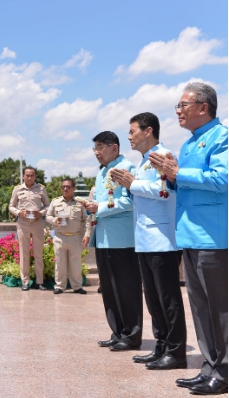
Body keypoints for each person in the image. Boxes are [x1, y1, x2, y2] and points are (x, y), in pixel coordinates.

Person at [149, 82, 228, 395]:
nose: (178, 111)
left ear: (203, 107)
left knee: (219, 309)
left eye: (183, 105)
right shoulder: (189, 143)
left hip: (213, 237)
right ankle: (209, 366)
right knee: (200, 307)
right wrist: (171, 176)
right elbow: (188, 184)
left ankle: (223, 371)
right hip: (191, 235)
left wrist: (178, 173)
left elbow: (222, 180)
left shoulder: (221, 137)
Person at [112, 112, 187, 371]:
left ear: (148, 131)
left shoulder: (163, 157)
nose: (129, 137)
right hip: (145, 238)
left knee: (168, 298)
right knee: (153, 299)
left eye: (132, 131)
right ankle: (161, 346)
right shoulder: (145, 161)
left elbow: (164, 192)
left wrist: (133, 184)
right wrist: (131, 185)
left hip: (162, 239)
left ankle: (176, 352)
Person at [83, 131, 142, 351]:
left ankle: (132, 335)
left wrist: (99, 208)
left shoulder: (127, 168)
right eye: (95, 148)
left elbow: (130, 202)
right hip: (104, 238)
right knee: (109, 289)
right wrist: (93, 208)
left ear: (114, 147)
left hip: (122, 238)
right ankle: (118, 332)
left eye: (100, 147)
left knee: (127, 289)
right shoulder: (102, 173)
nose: (97, 152)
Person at [45, 178, 91, 295]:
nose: (65, 189)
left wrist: (87, 234)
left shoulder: (80, 204)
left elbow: (87, 220)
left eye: (68, 187)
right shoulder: (55, 202)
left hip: (75, 237)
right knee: (60, 263)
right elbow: (48, 216)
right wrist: (55, 220)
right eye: (63, 187)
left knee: (75, 264)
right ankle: (60, 286)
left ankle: (77, 286)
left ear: (73, 188)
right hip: (60, 237)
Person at [9, 167, 50, 291]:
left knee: (38, 253)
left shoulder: (41, 189)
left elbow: (48, 205)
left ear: (35, 176)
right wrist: (19, 212)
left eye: (32, 175)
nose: (29, 177)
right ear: (23, 176)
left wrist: (41, 213)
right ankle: (25, 282)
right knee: (24, 253)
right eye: (27, 175)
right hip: (23, 223)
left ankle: (39, 281)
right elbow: (11, 206)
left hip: (37, 223)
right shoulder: (17, 189)